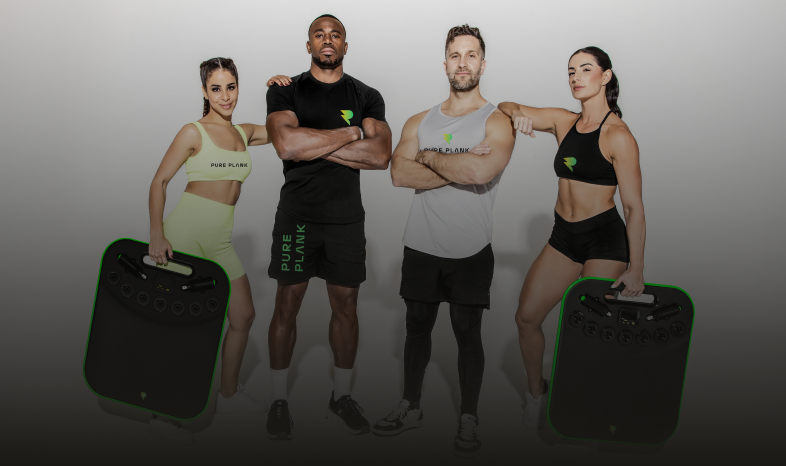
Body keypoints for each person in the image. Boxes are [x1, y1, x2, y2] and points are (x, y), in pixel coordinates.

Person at [372, 25, 515, 459]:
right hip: (421, 244)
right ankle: (410, 406)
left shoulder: (496, 121)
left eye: (471, 55)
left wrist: (430, 156)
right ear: (445, 63)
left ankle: (468, 416)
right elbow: (398, 174)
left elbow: (480, 174)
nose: (463, 63)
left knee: (466, 333)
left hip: (471, 248)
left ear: (483, 64)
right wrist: (460, 160)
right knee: (417, 328)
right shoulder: (419, 120)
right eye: (455, 55)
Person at [497, 46, 646, 431]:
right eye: (570, 72)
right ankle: (536, 397)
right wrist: (517, 118)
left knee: (585, 331)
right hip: (564, 236)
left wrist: (636, 269)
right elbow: (506, 103)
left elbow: (633, 208)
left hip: (604, 241)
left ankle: (590, 408)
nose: (576, 77)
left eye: (585, 69)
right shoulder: (564, 122)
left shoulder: (619, 137)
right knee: (527, 317)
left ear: (606, 77)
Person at [262, 14, 392, 440]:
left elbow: (379, 157)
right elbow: (285, 144)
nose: (327, 40)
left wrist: (310, 144)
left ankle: (341, 396)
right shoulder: (285, 89)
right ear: (308, 45)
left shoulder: (367, 95)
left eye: (335, 34)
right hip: (297, 216)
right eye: (319, 34)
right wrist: (349, 132)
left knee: (347, 310)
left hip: (345, 221)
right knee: (287, 306)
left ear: (345, 46)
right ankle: (279, 399)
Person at [147, 57, 271, 445]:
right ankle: (164, 409)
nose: (225, 95)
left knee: (243, 315)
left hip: (219, 240)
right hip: (184, 234)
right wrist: (156, 233)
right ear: (204, 91)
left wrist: (285, 87)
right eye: (216, 88)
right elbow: (159, 181)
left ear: (238, 87)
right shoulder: (193, 132)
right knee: (180, 326)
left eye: (231, 86)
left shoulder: (244, 133)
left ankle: (229, 396)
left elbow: (288, 127)